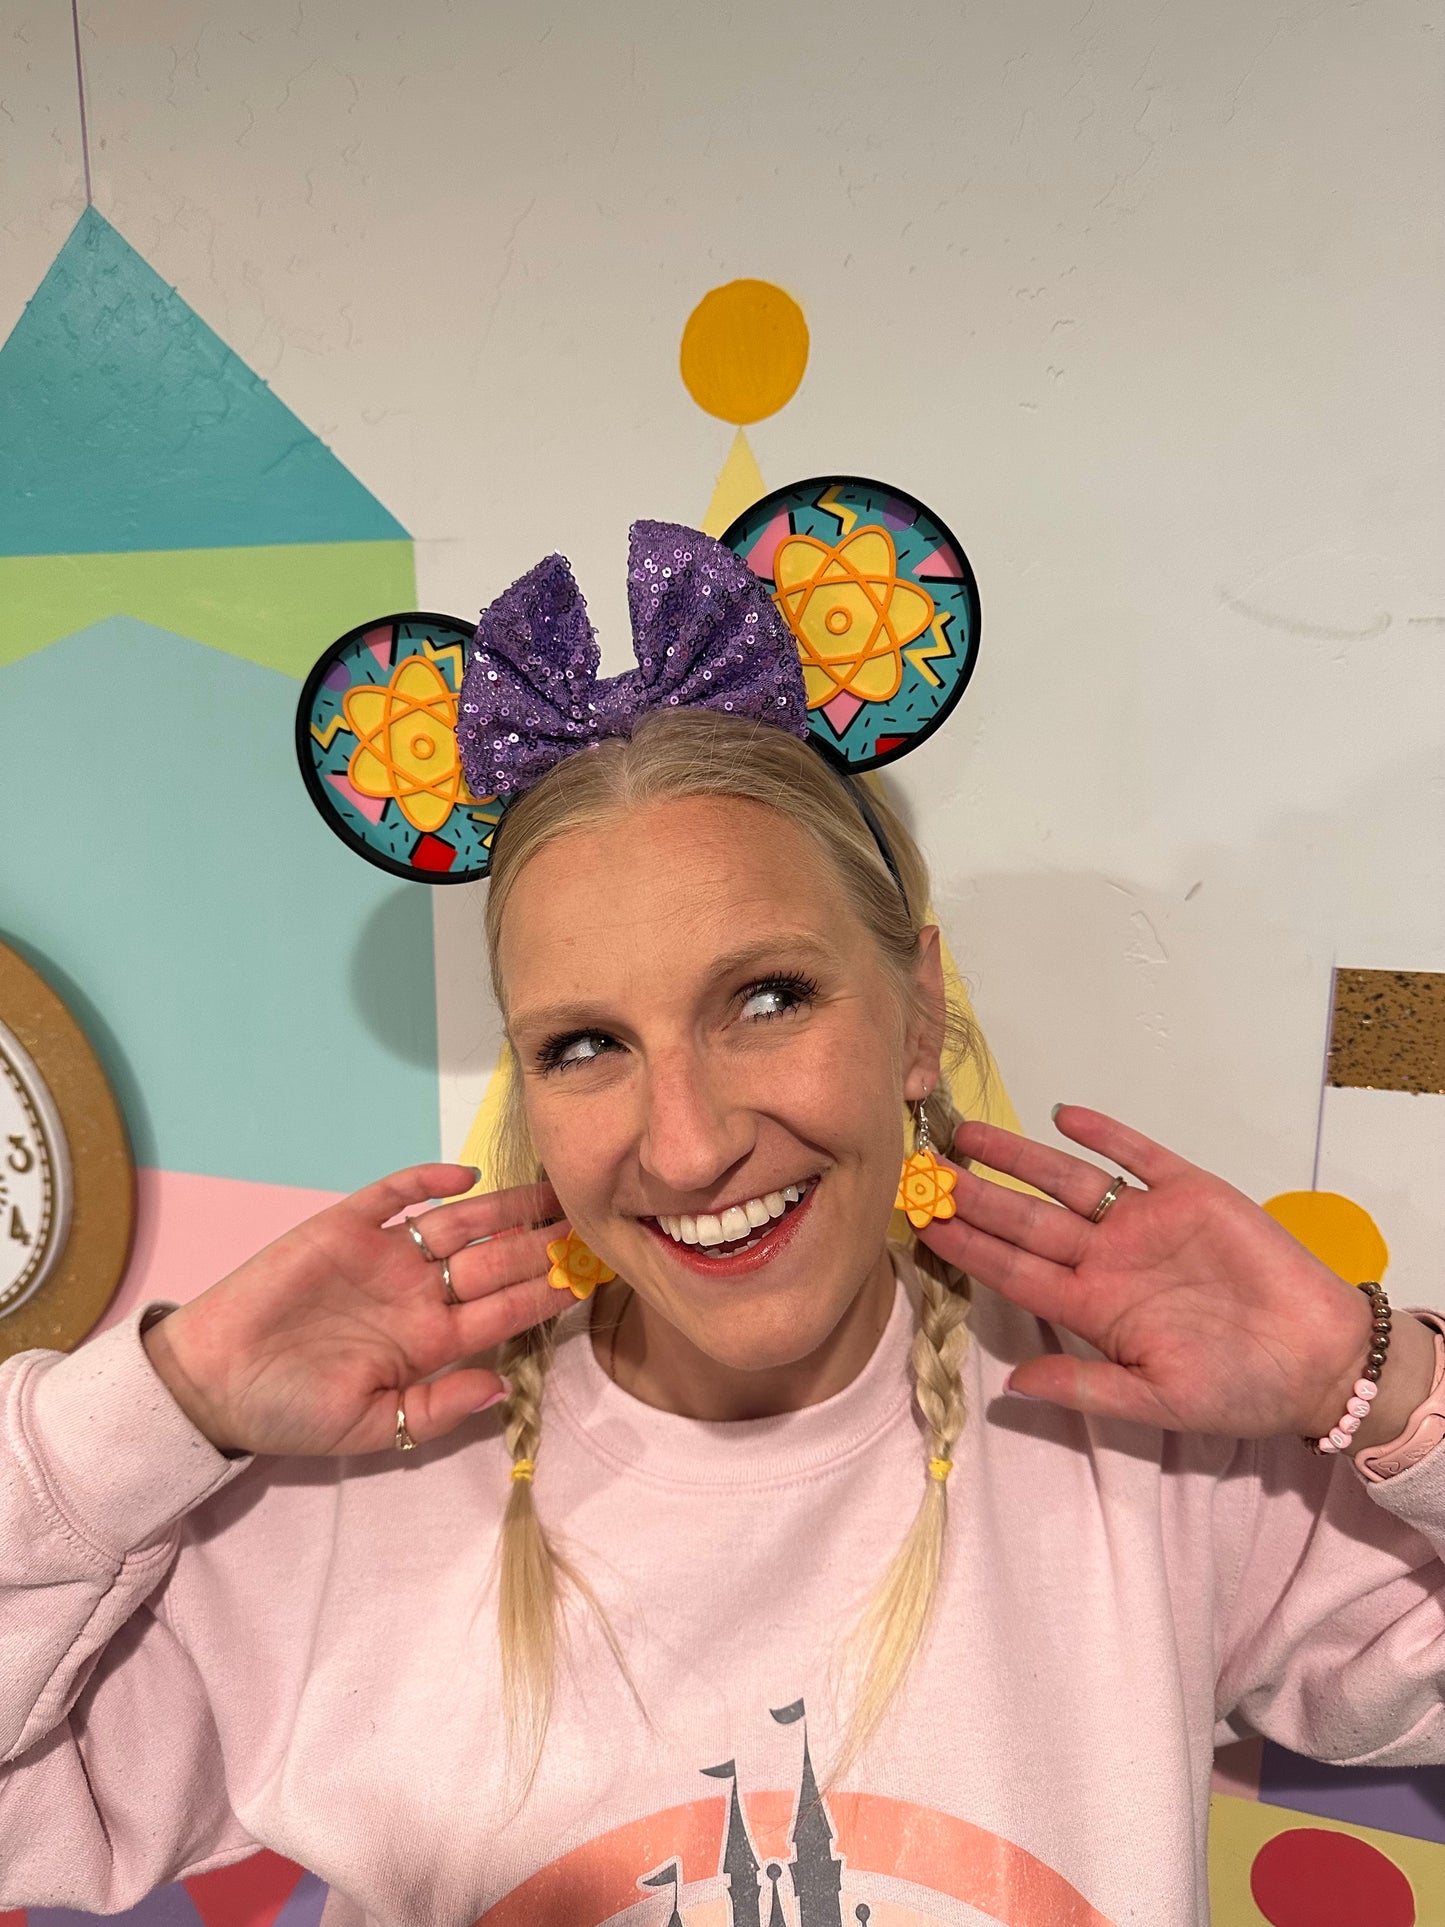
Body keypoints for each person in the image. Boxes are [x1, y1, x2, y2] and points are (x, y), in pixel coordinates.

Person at [3, 526, 1444, 1927]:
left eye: (767, 999)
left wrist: (1376, 1378)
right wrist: (158, 1410)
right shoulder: (330, 1503)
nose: (689, 1147)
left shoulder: (1148, 1441)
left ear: (917, 1013)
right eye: (584, 1045)